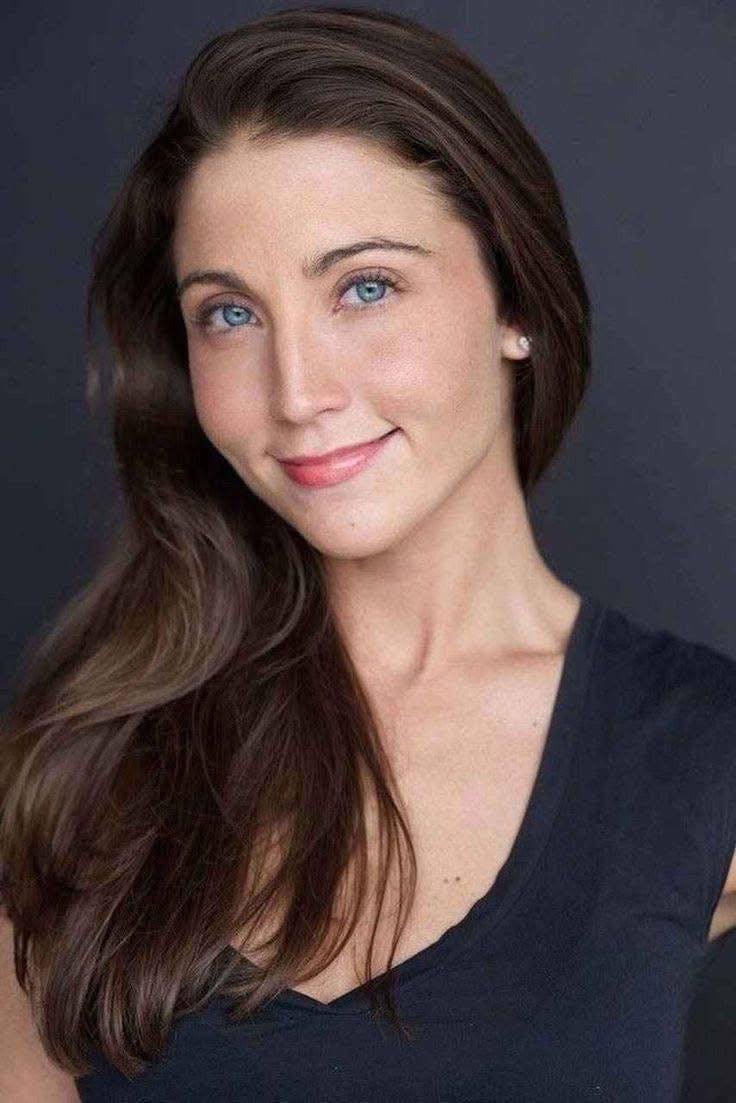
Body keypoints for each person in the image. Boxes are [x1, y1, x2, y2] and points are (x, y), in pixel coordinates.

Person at [1, 6, 735, 1101]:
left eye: (366, 286)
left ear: (516, 301)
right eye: (229, 314)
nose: (297, 393)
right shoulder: (88, 761)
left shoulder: (702, 753)